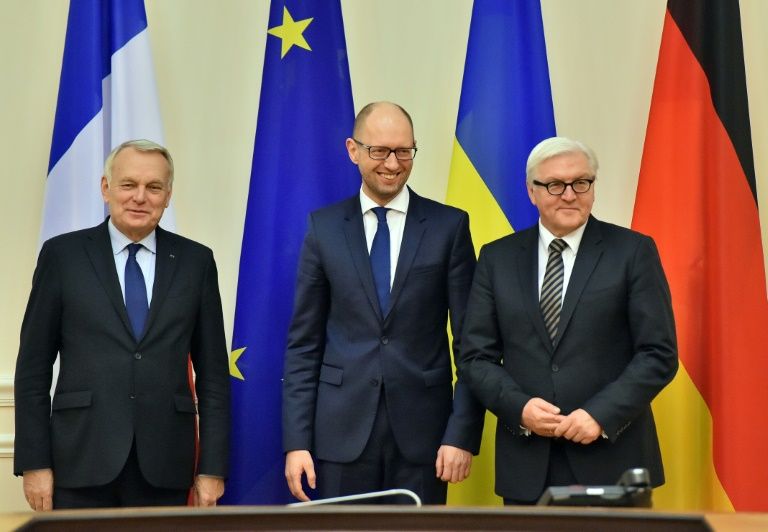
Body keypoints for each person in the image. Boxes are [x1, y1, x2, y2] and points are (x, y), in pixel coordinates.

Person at [282, 102, 484, 504]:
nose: (393, 163)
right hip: (339, 436)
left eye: (403, 151)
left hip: (424, 439)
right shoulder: (323, 228)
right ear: (353, 150)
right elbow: (304, 344)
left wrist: (461, 435)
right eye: (380, 151)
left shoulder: (449, 226)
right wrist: (297, 442)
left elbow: (472, 346)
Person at [458, 136, 678, 504]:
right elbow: (474, 357)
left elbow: (658, 353)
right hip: (527, 467)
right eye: (555, 185)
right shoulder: (497, 258)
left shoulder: (633, 252)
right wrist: (520, 409)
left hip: (613, 461)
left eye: (581, 183)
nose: (570, 195)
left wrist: (600, 415)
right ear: (532, 192)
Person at [14, 139, 230, 510]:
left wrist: (212, 468)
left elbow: (213, 376)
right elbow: (33, 369)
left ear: (168, 195)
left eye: (154, 187)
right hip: (79, 461)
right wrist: (35, 462)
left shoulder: (196, 262)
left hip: (165, 464)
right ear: (106, 188)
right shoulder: (62, 256)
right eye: (128, 185)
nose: (140, 197)